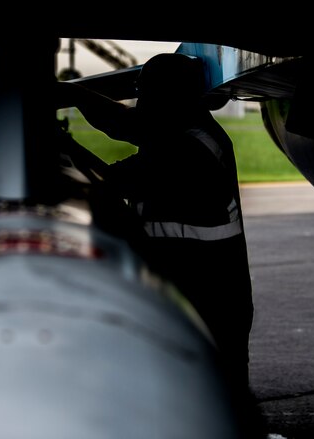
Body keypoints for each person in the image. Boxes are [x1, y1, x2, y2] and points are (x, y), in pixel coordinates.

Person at [56, 53, 254, 391]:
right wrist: (71, 93)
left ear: (169, 96)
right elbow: (123, 123)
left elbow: (110, 183)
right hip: (203, 292)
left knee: (211, 395)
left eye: (144, 91)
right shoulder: (183, 127)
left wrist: (64, 146)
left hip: (206, 299)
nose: (139, 99)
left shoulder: (187, 150)